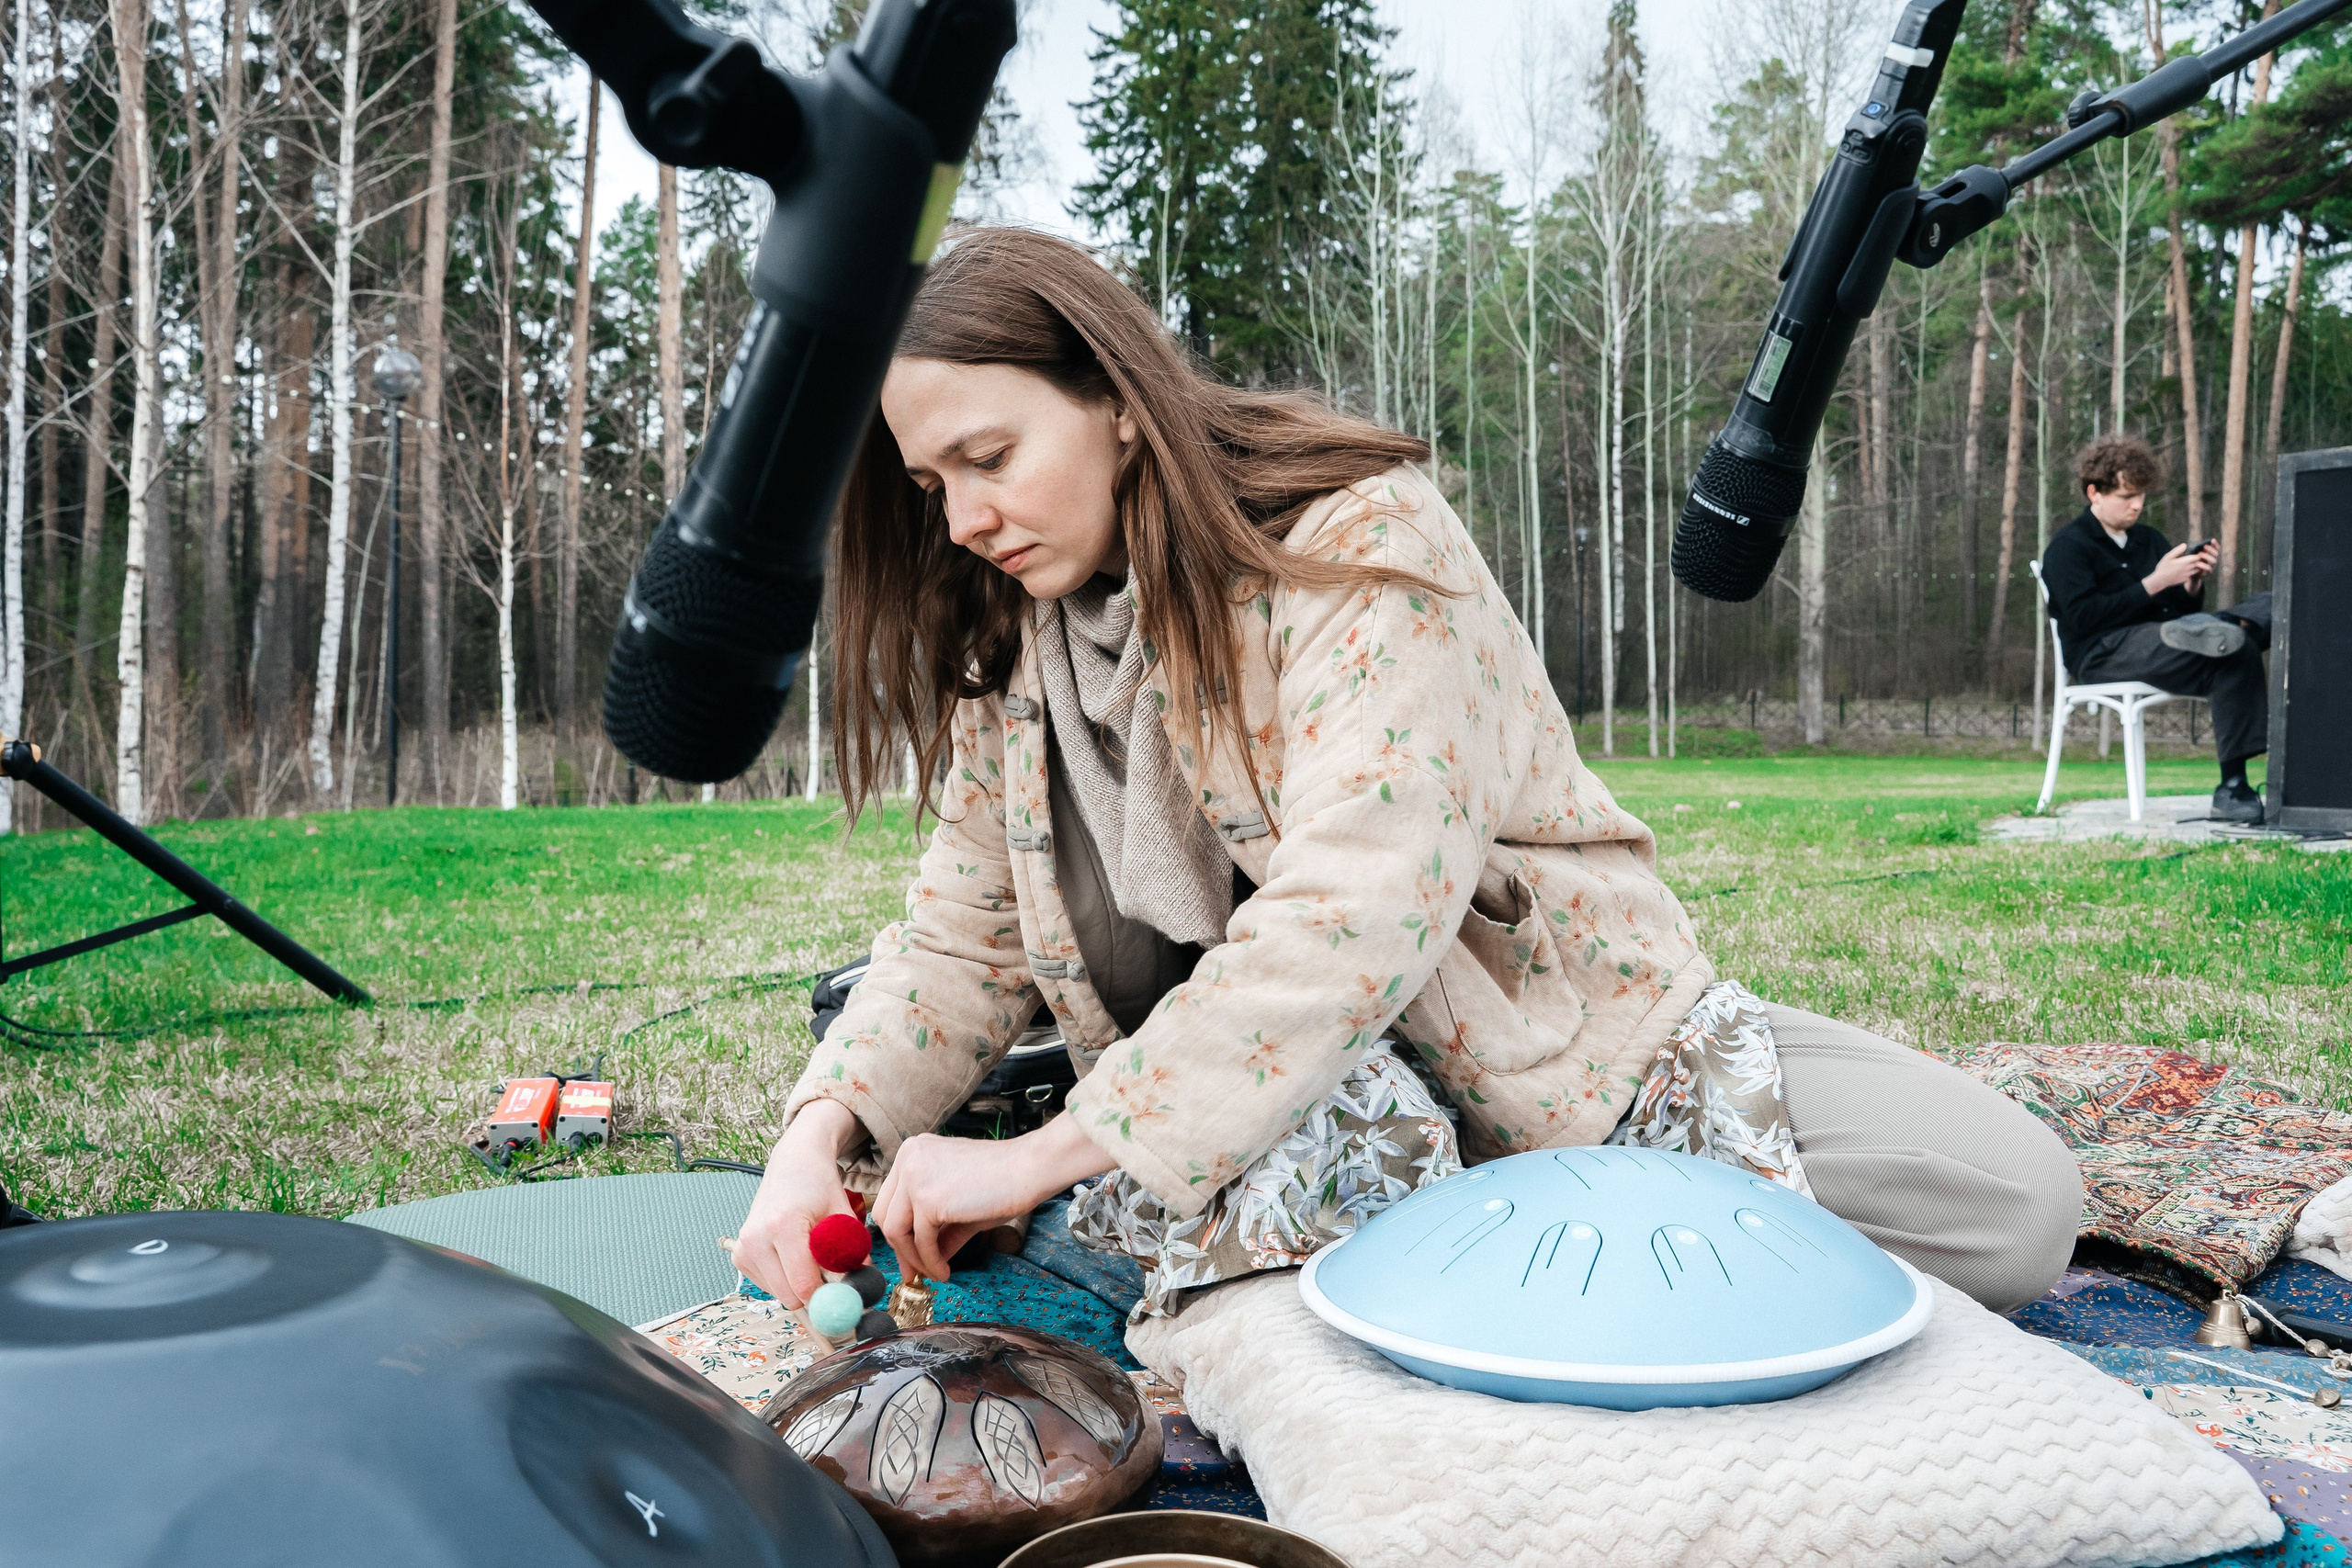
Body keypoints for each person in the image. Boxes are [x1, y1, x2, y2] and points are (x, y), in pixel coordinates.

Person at [734, 227, 2082, 1326]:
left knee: (2016, 1207)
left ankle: (1530, 1240)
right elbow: (957, 939)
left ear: (1118, 405)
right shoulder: (1015, 642)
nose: (962, 518)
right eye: (930, 484)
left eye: (989, 457)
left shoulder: (1356, 538)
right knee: (1331, 1293)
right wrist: (815, 1132)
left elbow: (1362, 898)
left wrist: (1045, 1152)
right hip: (1288, 1116)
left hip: (1555, 1061)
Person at [2039, 435, 2273, 824]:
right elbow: (2082, 618)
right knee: (2215, 635)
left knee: (2240, 643)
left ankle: (2233, 786)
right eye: (2126, 496)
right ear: (2094, 493)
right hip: (2103, 652)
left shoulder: (2148, 540)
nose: (2137, 505)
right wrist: (2154, 583)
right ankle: (2232, 624)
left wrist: (2191, 582)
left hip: (2169, 640)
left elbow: (2179, 609)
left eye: (2141, 496)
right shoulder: (2068, 547)